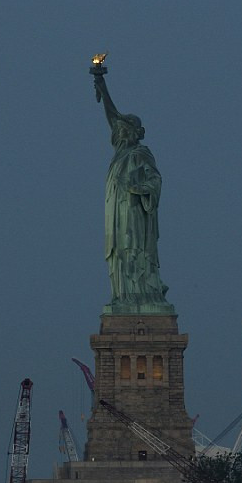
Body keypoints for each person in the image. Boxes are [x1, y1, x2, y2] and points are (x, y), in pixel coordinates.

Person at [92, 71, 170, 308]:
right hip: (117, 213)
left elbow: (155, 181)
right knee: (120, 252)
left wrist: (138, 188)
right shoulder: (120, 155)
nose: (119, 132)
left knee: (134, 249)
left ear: (133, 132)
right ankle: (124, 296)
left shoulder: (140, 154)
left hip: (135, 213)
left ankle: (143, 294)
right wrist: (102, 86)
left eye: (124, 129)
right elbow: (112, 116)